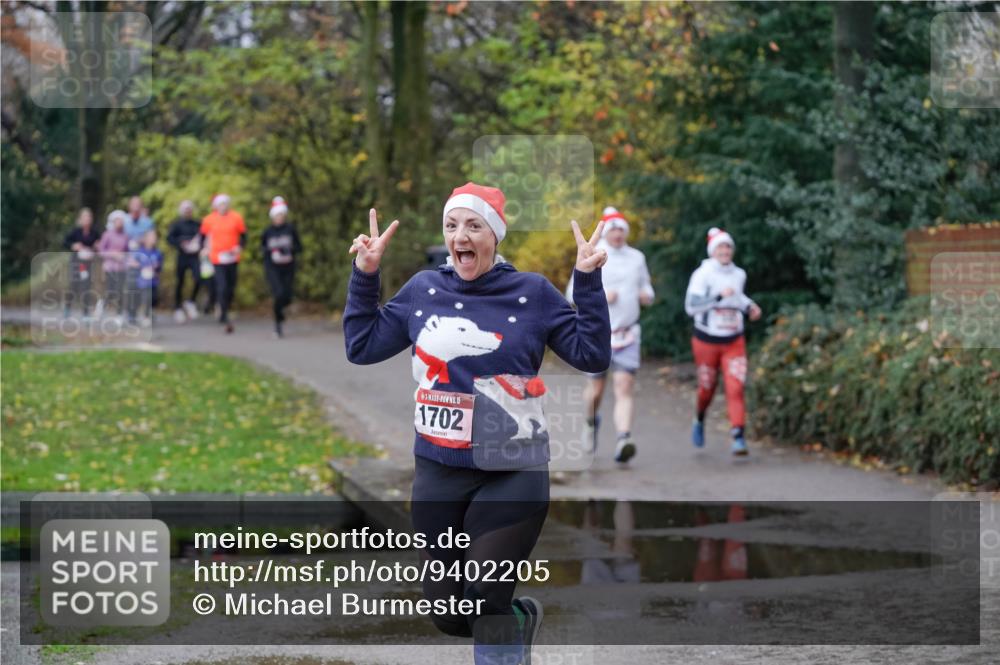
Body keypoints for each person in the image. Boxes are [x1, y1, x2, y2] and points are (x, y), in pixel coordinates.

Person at [343, 182, 611, 665]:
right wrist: (365, 274)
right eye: (451, 226)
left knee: (486, 599)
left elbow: (591, 355)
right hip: (438, 468)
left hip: (513, 469)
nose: (460, 236)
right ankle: (519, 621)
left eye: (473, 225)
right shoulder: (424, 290)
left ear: (495, 235)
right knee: (449, 614)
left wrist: (587, 281)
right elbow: (361, 347)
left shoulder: (532, 293)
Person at [566, 206, 654, 464]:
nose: (617, 234)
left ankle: (624, 438)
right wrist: (602, 295)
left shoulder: (636, 257)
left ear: (625, 232)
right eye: (613, 230)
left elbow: (646, 285)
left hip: (628, 333)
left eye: (621, 230)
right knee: (596, 391)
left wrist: (646, 295)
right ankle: (590, 421)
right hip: (597, 335)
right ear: (607, 232)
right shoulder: (593, 252)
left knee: (624, 386)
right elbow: (571, 294)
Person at [684, 227, 762, 456]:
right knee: (706, 389)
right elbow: (691, 306)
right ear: (712, 250)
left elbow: (737, 297)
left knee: (735, 386)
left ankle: (738, 435)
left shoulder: (739, 274)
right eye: (721, 247)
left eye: (728, 247)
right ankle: (699, 417)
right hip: (706, 341)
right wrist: (718, 297)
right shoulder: (702, 274)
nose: (725, 251)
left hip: (734, 340)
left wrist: (750, 307)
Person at [199, 193, 246, 333]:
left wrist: (239, 246)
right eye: (220, 204)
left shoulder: (236, 217)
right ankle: (223, 313)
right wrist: (204, 249)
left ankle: (224, 306)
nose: (223, 207)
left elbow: (243, 236)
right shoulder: (209, 220)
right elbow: (202, 237)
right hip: (216, 257)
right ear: (216, 206)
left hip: (232, 257)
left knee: (231, 286)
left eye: (225, 204)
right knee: (222, 286)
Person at [261, 196, 302, 338]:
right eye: (277, 215)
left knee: (287, 296)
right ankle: (278, 325)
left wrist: (289, 249)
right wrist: (273, 251)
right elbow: (262, 249)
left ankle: (280, 312)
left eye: (281, 215)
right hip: (273, 268)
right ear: (272, 216)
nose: (279, 218)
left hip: (288, 267)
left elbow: (299, 247)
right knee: (278, 294)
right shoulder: (268, 231)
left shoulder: (290, 229)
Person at [166, 200, 205, 323]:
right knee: (180, 281)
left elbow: (204, 237)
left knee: (199, 278)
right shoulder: (176, 224)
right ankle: (177, 307)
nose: (188, 212)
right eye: (186, 210)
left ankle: (191, 301)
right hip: (182, 256)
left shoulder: (198, 223)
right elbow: (170, 238)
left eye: (189, 209)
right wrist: (181, 244)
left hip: (195, 256)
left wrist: (200, 246)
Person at [62, 207, 100, 318]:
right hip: (76, 263)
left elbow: (100, 245)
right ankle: (67, 307)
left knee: (86, 286)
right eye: (85, 217)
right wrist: (73, 245)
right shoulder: (76, 232)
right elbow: (65, 242)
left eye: (89, 217)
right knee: (74, 285)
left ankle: (86, 312)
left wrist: (96, 247)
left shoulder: (94, 233)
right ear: (80, 219)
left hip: (87, 264)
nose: (87, 219)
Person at [97, 210, 130, 319]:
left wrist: (124, 256)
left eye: (121, 221)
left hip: (121, 267)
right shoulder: (107, 235)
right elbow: (101, 251)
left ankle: (119, 314)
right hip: (109, 267)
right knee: (110, 290)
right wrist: (112, 254)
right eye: (118, 220)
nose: (120, 223)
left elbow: (128, 251)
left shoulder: (125, 236)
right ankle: (102, 305)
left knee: (120, 290)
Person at [127, 229, 163, 326]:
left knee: (152, 298)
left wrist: (155, 269)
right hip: (140, 281)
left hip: (152, 281)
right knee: (139, 298)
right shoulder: (139, 251)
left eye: (155, 237)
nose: (153, 239)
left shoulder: (158, 253)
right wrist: (140, 266)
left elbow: (159, 268)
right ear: (146, 238)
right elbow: (131, 263)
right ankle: (134, 316)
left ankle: (147, 315)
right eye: (151, 236)